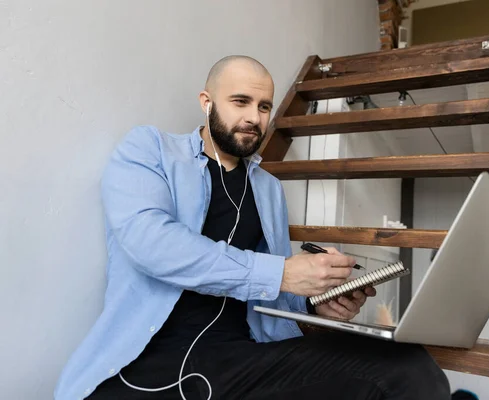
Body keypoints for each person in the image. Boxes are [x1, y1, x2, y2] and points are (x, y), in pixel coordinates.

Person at [55, 55, 450, 400]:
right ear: (206, 102)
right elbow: (152, 244)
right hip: (146, 361)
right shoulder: (150, 150)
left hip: (240, 361)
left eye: (264, 106)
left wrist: (315, 301)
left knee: (406, 368)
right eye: (240, 101)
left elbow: (272, 297)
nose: (254, 117)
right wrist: (282, 272)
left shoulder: (268, 188)